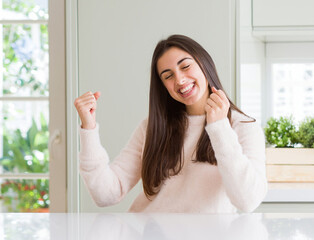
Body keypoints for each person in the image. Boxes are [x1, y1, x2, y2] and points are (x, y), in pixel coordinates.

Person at [73, 34, 267, 213]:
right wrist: (88, 129)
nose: (180, 80)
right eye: (168, 76)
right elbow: (106, 194)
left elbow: (247, 201)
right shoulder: (151, 128)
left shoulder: (242, 127)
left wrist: (219, 127)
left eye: (185, 66)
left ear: (204, 64)